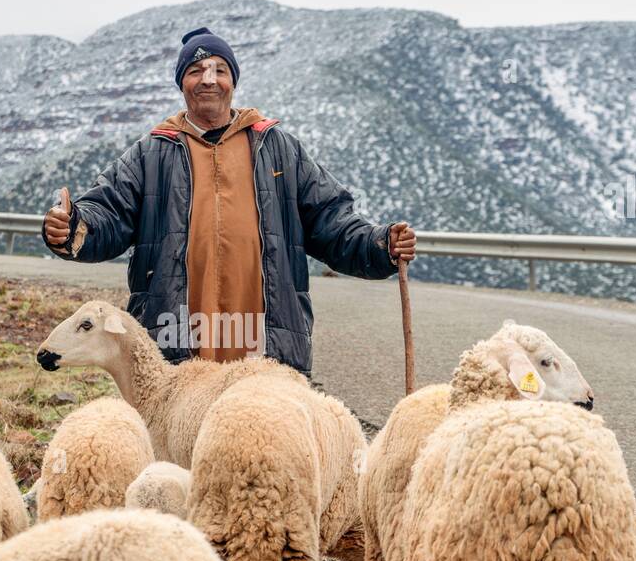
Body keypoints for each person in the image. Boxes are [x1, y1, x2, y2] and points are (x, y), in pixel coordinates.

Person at [42, 26, 416, 375]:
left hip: (264, 341)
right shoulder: (151, 153)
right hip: (177, 339)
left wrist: (380, 244)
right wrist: (73, 227)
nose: (209, 79)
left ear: (232, 81)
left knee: (264, 438)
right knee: (181, 439)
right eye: (196, 70)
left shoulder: (277, 148)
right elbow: (107, 213)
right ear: (182, 84)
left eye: (220, 69)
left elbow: (331, 220)